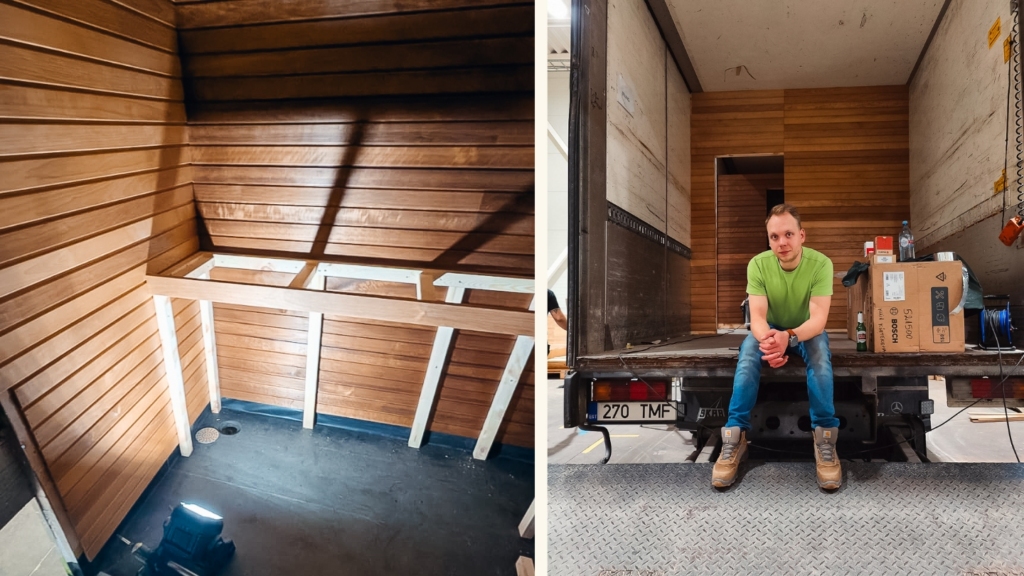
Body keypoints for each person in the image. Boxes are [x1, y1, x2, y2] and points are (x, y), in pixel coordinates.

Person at [711, 204, 842, 490]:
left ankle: (825, 440)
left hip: (805, 332)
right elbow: (756, 318)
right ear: (768, 239)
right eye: (774, 237)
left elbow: (818, 320)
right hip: (770, 333)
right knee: (746, 356)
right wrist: (771, 342)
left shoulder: (821, 264)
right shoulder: (758, 264)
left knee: (820, 356)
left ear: (802, 235)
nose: (781, 243)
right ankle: (734, 438)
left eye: (788, 234)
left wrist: (790, 337)